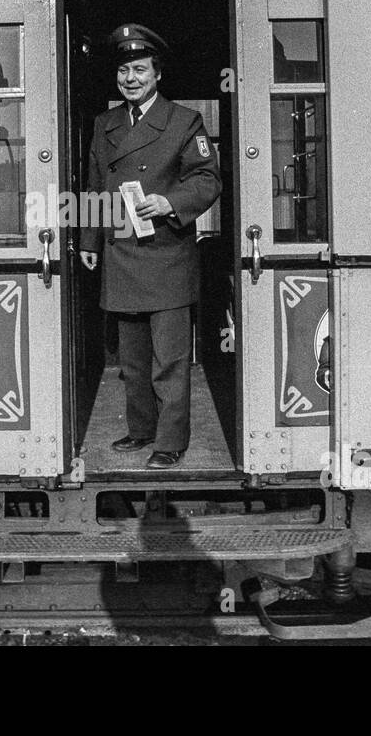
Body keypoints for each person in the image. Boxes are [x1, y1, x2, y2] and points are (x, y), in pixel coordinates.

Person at [79, 24, 222, 468]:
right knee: (133, 361)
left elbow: (207, 179)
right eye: (124, 71)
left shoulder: (184, 121)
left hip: (165, 255)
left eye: (140, 69)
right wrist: (89, 241)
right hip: (121, 254)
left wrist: (170, 201)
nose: (131, 79)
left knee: (169, 361)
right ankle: (140, 430)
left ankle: (170, 440)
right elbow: (94, 186)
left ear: (157, 73)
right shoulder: (106, 124)